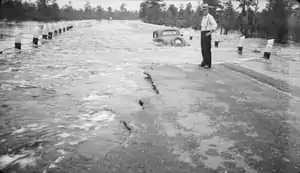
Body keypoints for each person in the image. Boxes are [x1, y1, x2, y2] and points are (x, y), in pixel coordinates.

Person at [199, 3, 217, 69]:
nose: (204, 11)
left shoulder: (210, 17)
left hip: (207, 33)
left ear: (207, 10)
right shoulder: (203, 17)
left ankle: (208, 63)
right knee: (203, 49)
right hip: (203, 32)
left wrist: (210, 32)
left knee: (207, 49)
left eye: (205, 10)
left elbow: (215, 25)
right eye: (203, 10)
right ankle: (204, 62)